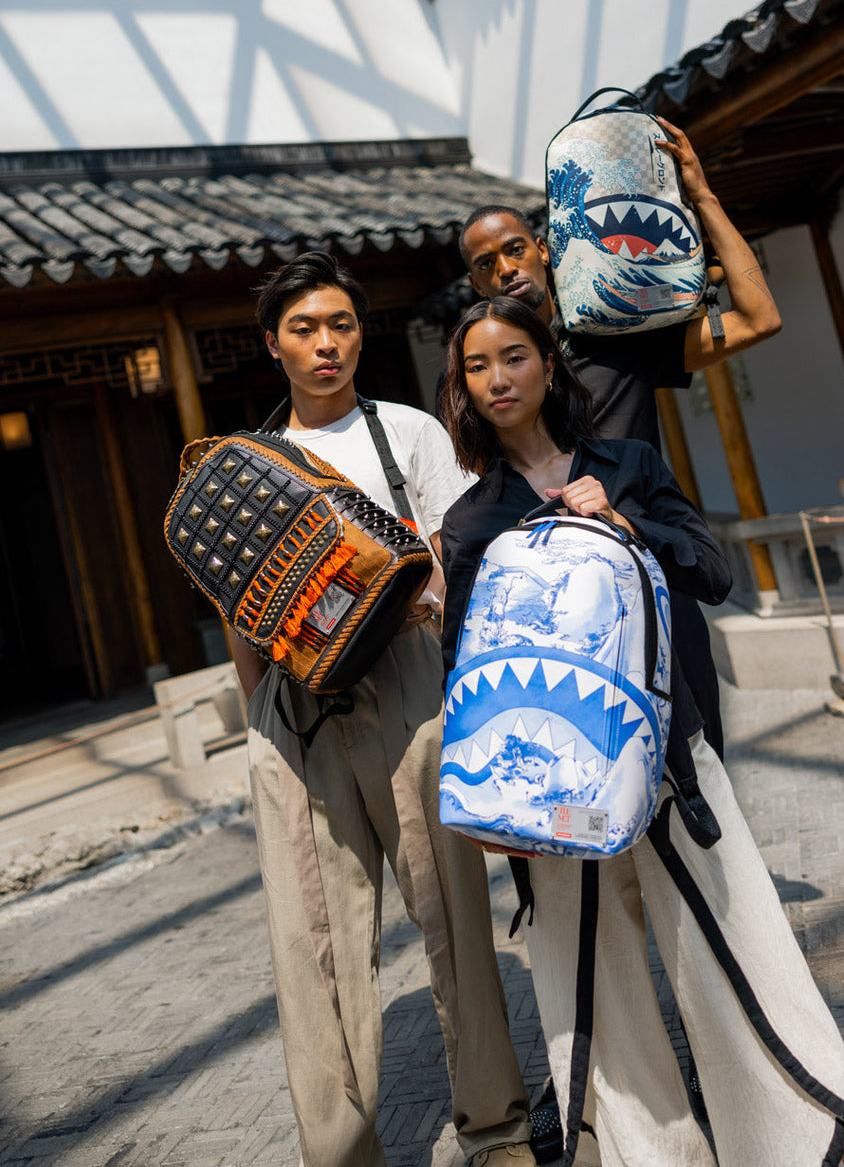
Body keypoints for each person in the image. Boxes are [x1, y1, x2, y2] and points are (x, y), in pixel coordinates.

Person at [436, 296, 844, 1167]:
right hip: (548, 793)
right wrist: (503, 812)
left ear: (547, 366)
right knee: (596, 982)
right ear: (461, 388)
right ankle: (653, 1153)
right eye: (476, 367)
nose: (497, 378)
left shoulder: (631, 463)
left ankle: (816, 1132)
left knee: (738, 942)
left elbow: (713, 572)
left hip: (670, 754)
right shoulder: (472, 523)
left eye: (515, 357)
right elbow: (467, 671)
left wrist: (624, 522)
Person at [229, 252, 536, 1167]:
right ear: (273, 345)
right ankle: (343, 1150)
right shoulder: (252, 461)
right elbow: (236, 608)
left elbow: (454, 566)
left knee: (454, 923)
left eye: (342, 326)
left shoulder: (407, 433)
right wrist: (264, 722)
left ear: (361, 333)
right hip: (296, 714)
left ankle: (499, 1128)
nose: (327, 346)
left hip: (407, 687)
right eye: (304, 330)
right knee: (310, 945)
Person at [457, 119, 779, 764]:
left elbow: (758, 318)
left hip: (651, 574)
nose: (504, 268)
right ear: (475, 285)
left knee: (696, 766)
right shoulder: (485, 376)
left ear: (544, 249)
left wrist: (702, 197)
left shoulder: (620, 336)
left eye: (514, 249)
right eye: (484, 264)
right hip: (559, 610)